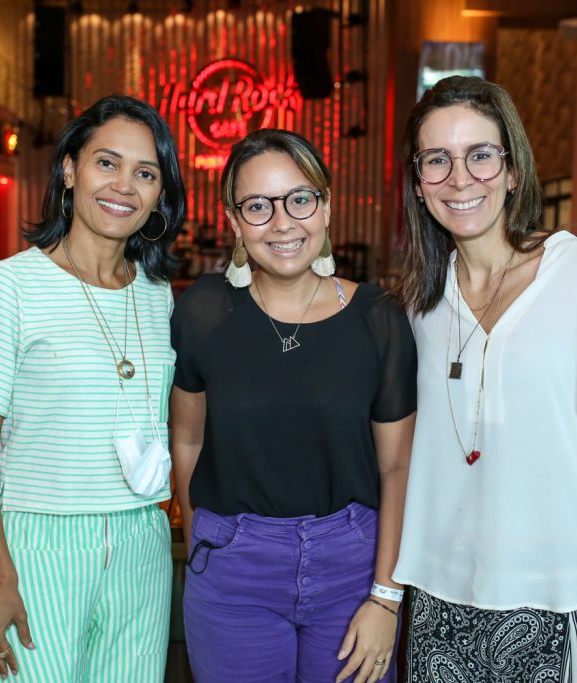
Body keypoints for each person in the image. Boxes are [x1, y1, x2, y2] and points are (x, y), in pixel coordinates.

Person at [391, 76, 577, 683]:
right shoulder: (418, 304)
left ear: (513, 170)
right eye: (436, 160)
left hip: (564, 598)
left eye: (480, 155)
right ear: (417, 183)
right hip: (441, 600)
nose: (459, 178)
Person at [0, 94, 186, 682]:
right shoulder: (11, 284)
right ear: (70, 170)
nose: (124, 185)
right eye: (107, 163)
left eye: (145, 173)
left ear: (158, 195)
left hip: (141, 543)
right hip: (35, 543)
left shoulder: (157, 295)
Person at [170, 129, 417, 683]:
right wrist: (202, 536)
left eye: (300, 199)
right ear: (234, 222)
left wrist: (385, 597)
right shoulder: (204, 310)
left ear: (325, 207)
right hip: (234, 568)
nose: (282, 223)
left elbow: (397, 467)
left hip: (353, 568)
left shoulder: (379, 317)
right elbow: (186, 438)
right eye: (258, 206)